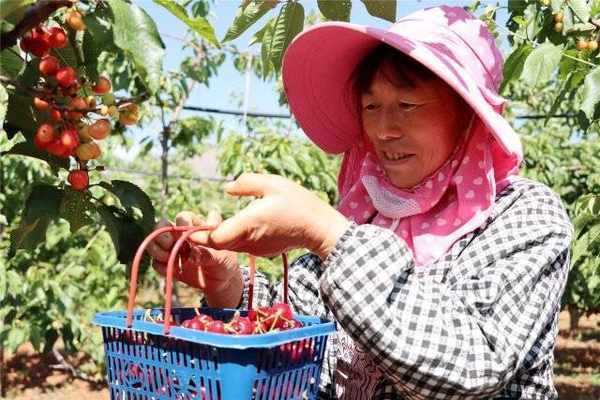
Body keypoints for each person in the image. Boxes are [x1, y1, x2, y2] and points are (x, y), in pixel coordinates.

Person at [148, 6, 573, 399]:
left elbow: (475, 364)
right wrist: (228, 284)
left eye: (407, 104)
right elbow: (298, 323)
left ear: (467, 115)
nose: (384, 129)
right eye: (371, 106)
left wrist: (326, 232)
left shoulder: (523, 216)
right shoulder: (368, 211)